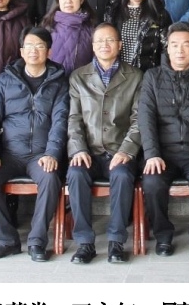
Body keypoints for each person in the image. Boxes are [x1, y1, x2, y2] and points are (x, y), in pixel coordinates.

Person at [0, 27, 70, 262]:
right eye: (29, 46)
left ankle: (37, 241)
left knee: (50, 178)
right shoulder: (5, 80)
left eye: (39, 46)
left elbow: (61, 121)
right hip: (10, 153)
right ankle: (6, 240)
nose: (33, 51)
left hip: (41, 154)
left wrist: (52, 153)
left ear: (49, 51)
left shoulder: (59, 81)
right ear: (21, 51)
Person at [139, 23, 189, 258]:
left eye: (186, 45)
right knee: (152, 183)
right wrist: (152, 154)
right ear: (167, 48)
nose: (180, 50)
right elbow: (145, 118)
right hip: (163, 153)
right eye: (174, 45)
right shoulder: (152, 77)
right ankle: (163, 236)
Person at [65, 23, 143, 264]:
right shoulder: (79, 77)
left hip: (120, 152)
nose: (104, 45)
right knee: (75, 174)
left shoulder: (135, 76)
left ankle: (116, 242)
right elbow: (74, 119)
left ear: (119, 45)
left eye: (110, 40)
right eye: (99, 41)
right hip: (89, 152)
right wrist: (78, 149)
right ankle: (84, 243)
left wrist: (127, 150)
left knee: (122, 175)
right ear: (92, 46)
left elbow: (139, 120)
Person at [103, 0, 172, 71]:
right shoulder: (113, 11)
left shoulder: (159, 14)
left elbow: (166, 48)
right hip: (117, 72)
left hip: (146, 73)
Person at [42, 0, 95, 74]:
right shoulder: (48, 26)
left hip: (82, 81)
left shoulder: (92, 27)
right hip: (53, 81)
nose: (68, 1)